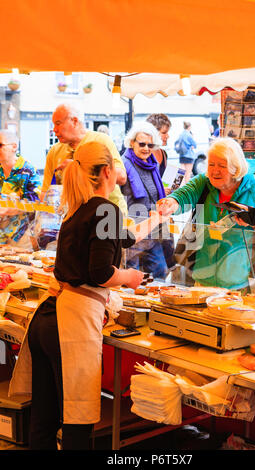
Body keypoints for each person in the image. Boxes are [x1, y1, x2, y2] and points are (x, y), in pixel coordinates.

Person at [9, 141, 168, 450]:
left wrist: (158, 218)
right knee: (76, 422)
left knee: (44, 419)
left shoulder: (80, 207)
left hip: (47, 318)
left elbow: (128, 237)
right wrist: (130, 278)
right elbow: (101, 273)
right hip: (72, 323)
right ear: (107, 171)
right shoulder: (105, 208)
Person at [157, 137, 255, 290]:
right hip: (202, 277)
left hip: (240, 281)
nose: (214, 170)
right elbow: (183, 195)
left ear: (235, 168)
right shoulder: (203, 181)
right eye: (211, 164)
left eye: (222, 166)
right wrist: (171, 202)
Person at [40, 104, 127, 215]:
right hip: (74, 220)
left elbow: (121, 177)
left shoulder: (101, 141)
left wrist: (78, 169)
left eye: (58, 123)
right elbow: (46, 192)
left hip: (108, 216)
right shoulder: (54, 152)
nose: (54, 130)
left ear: (74, 121)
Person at [121, 121, 174, 278]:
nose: (146, 148)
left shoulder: (152, 164)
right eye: (142, 144)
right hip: (133, 232)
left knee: (161, 270)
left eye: (150, 145)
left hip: (152, 230)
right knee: (132, 276)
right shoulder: (123, 165)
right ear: (132, 142)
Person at [0, 130, 41, 245]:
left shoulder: (28, 170)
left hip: (21, 235)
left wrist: (8, 210)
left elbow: (35, 202)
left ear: (14, 146)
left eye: (0, 145)